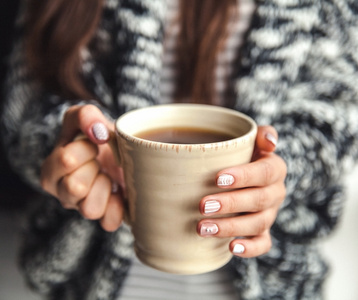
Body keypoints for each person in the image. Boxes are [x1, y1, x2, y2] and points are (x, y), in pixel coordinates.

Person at [1, 0, 358, 299]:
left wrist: (277, 172)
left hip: (273, 284)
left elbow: (342, 111)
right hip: (89, 284)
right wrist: (68, 149)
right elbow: (25, 107)